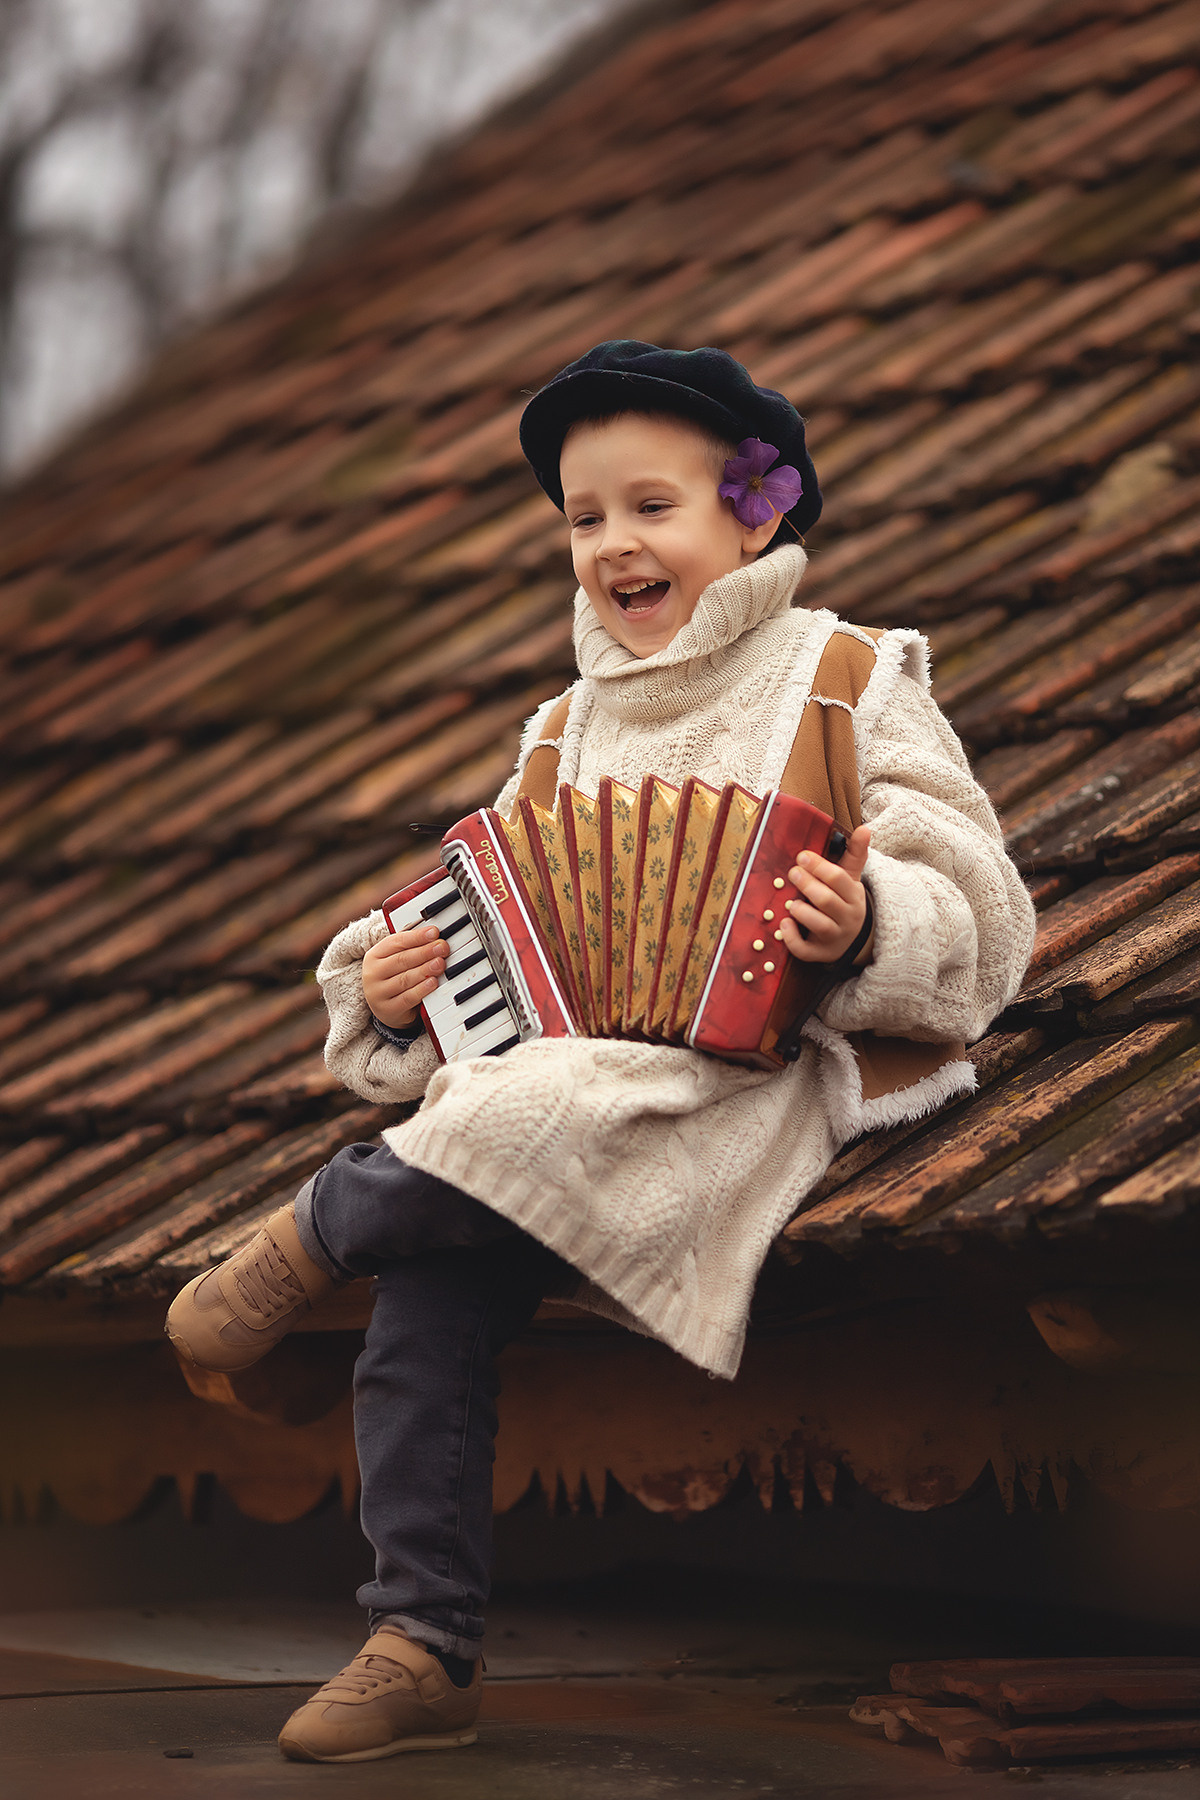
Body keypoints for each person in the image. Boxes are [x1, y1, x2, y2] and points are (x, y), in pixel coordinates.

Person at [165, 341, 1035, 1763]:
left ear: (753, 516)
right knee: (432, 1296)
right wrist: (396, 988)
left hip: (763, 1066)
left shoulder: (846, 678)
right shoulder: (562, 734)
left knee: (526, 1117)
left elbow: (984, 905)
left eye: (651, 507)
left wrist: (871, 914)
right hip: (579, 1090)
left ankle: (321, 1225)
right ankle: (422, 1641)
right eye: (583, 518)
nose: (614, 545)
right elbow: (492, 926)